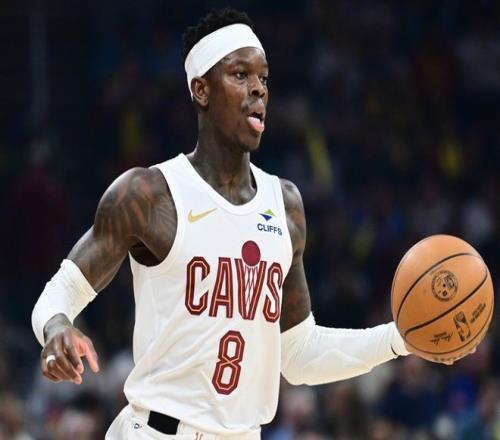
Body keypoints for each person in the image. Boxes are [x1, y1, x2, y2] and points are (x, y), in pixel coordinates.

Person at [32, 8, 412, 439]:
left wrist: (400, 339)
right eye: (240, 75)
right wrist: (57, 326)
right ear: (201, 90)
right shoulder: (149, 194)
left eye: (264, 78)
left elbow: (299, 353)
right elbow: (61, 291)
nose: (258, 89)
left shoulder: (285, 204)